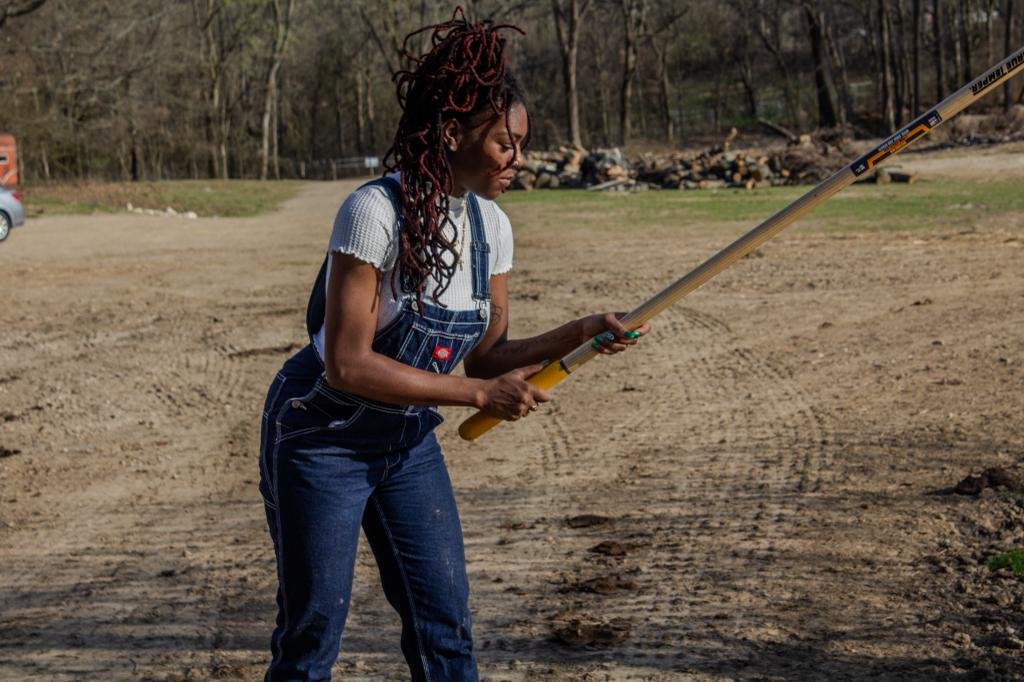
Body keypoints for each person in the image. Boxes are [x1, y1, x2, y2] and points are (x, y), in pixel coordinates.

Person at [257, 8, 650, 681]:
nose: (519, 162)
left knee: (445, 622)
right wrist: (476, 394)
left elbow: (488, 356)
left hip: (405, 444)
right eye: (506, 144)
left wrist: (581, 332)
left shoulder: (491, 228)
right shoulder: (374, 212)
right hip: (322, 437)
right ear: (450, 133)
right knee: (314, 628)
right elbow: (349, 362)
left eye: (521, 145)